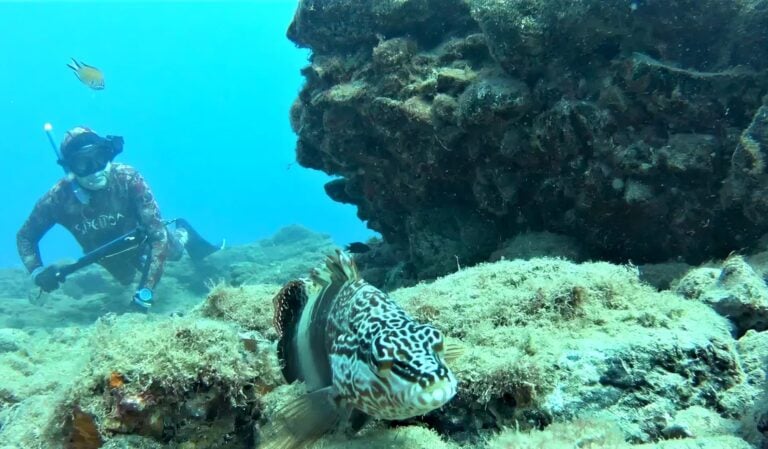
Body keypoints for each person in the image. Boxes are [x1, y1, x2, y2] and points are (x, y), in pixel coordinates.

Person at [16, 126, 220, 309]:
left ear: (108, 153)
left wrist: (145, 293)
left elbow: (157, 236)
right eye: (83, 163)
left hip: (142, 237)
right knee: (126, 279)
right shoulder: (57, 199)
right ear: (70, 168)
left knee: (175, 254)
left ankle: (183, 233)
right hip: (105, 254)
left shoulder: (128, 178)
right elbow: (25, 236)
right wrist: (37, 272)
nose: (95, 170)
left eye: (99, 158)